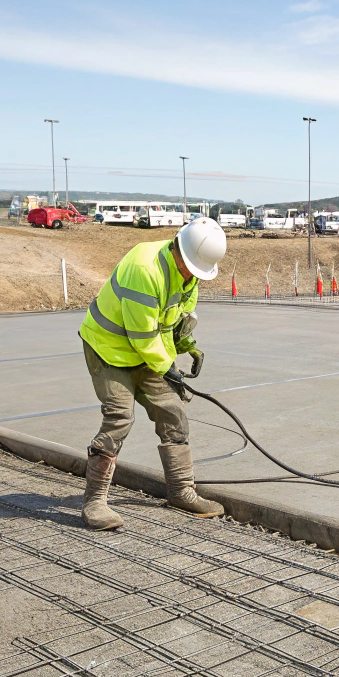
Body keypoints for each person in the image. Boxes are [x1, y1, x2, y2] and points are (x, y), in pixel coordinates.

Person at [78, 217, 229, 531]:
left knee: (173, 411)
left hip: (146, 351)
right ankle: (94, 501)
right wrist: (169, 370)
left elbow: (173, 321)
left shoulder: (190, 275)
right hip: (109, 349)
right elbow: (143, 337)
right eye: (192, 268)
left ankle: (181, 491)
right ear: (179, 250)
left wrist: (187, 345)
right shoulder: (145, 269)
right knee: (119, 417)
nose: (193, 275)